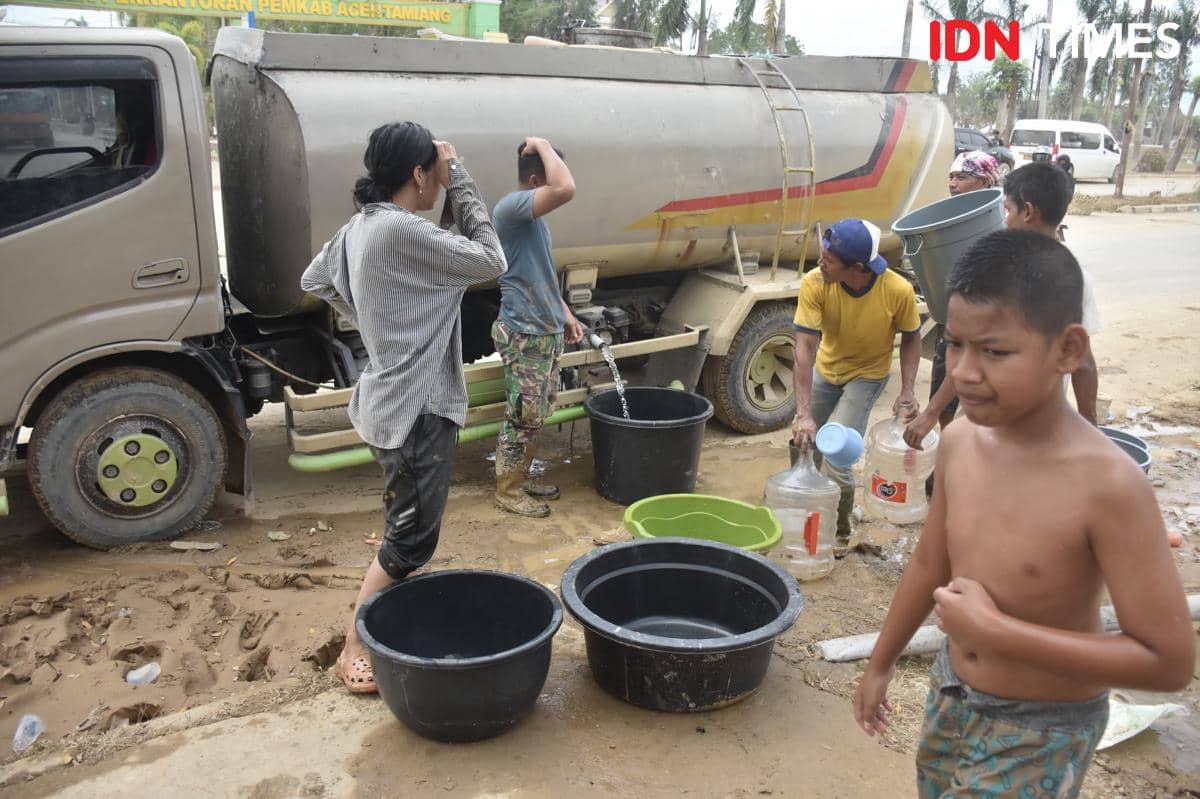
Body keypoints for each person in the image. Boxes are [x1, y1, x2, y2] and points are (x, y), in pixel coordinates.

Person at [853, 229, 1193, 798]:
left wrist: (999, 633)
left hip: (1042, 728)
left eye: (995, 351)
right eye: (955, 345)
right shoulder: (959, 440)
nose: (963, 372)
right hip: (952, 693)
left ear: (1068, 350)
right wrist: (881, 662)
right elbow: (928, 564)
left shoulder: (1109, 485)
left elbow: (1167, 662)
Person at [300, 122, 507, 693]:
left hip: (384, 401)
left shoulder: (362, 228)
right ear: (419, 174)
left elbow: (314, 277)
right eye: (436, 170)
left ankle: (393, 561)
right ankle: (354, 645)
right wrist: (460, 175)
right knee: (413, 541)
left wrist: (379, 320)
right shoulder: (401, 231)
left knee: (407, 519)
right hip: (416, 410)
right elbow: (492, 259)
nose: (440, 178)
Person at [906, 161, 1102, 452]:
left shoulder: (996, 274)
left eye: (1008, 210)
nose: (1005, 219)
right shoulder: (1075, 277)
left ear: (1028, 212)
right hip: (1038, 426)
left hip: (988, 425)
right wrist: (1090, 432)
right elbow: (1083, 364)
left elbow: (965, 356)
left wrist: (931, 412)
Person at [792, 218, 922, 555]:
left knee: (837, 453)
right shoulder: (815, 282)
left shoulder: (897, 291)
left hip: (868, 374)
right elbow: (804, 348)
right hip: (827, 367)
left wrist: (908, 389)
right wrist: (803, 413)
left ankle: (838, 532)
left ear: (858, 268)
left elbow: (911, 338)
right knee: (803, 442)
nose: (820, 263)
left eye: (829, 260)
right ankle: (801, 509)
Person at [491, 137, 583, 517]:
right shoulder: (511, 208)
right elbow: (565, 188)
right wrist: (542, 144)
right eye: (544, 183)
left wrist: (565, 313)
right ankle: (507, 491)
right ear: (533, 181)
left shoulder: (533, 220)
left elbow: (541, 272)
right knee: (521, 415)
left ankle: (521, 478)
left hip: (542, 329)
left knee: (536, 412)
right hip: (524, 332)